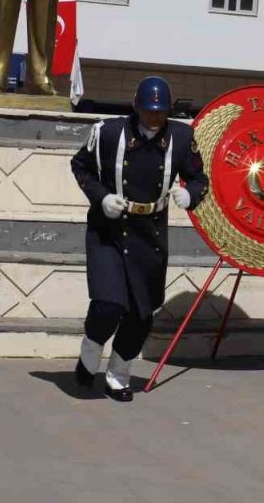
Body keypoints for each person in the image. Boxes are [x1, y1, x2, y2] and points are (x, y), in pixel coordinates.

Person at [69, 77, 209, 401]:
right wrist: (101, 197)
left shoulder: (182, 136)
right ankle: (89, 356)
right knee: (107, 303)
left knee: (140, 313)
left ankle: (118, 376)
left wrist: (190, 194)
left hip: (151, 232)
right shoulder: (107, 132)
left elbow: (200, 178)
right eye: (148, 112)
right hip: (110, 230)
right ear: (136, 108)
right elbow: (81, 167)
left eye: (160, 112)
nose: (154, 118)